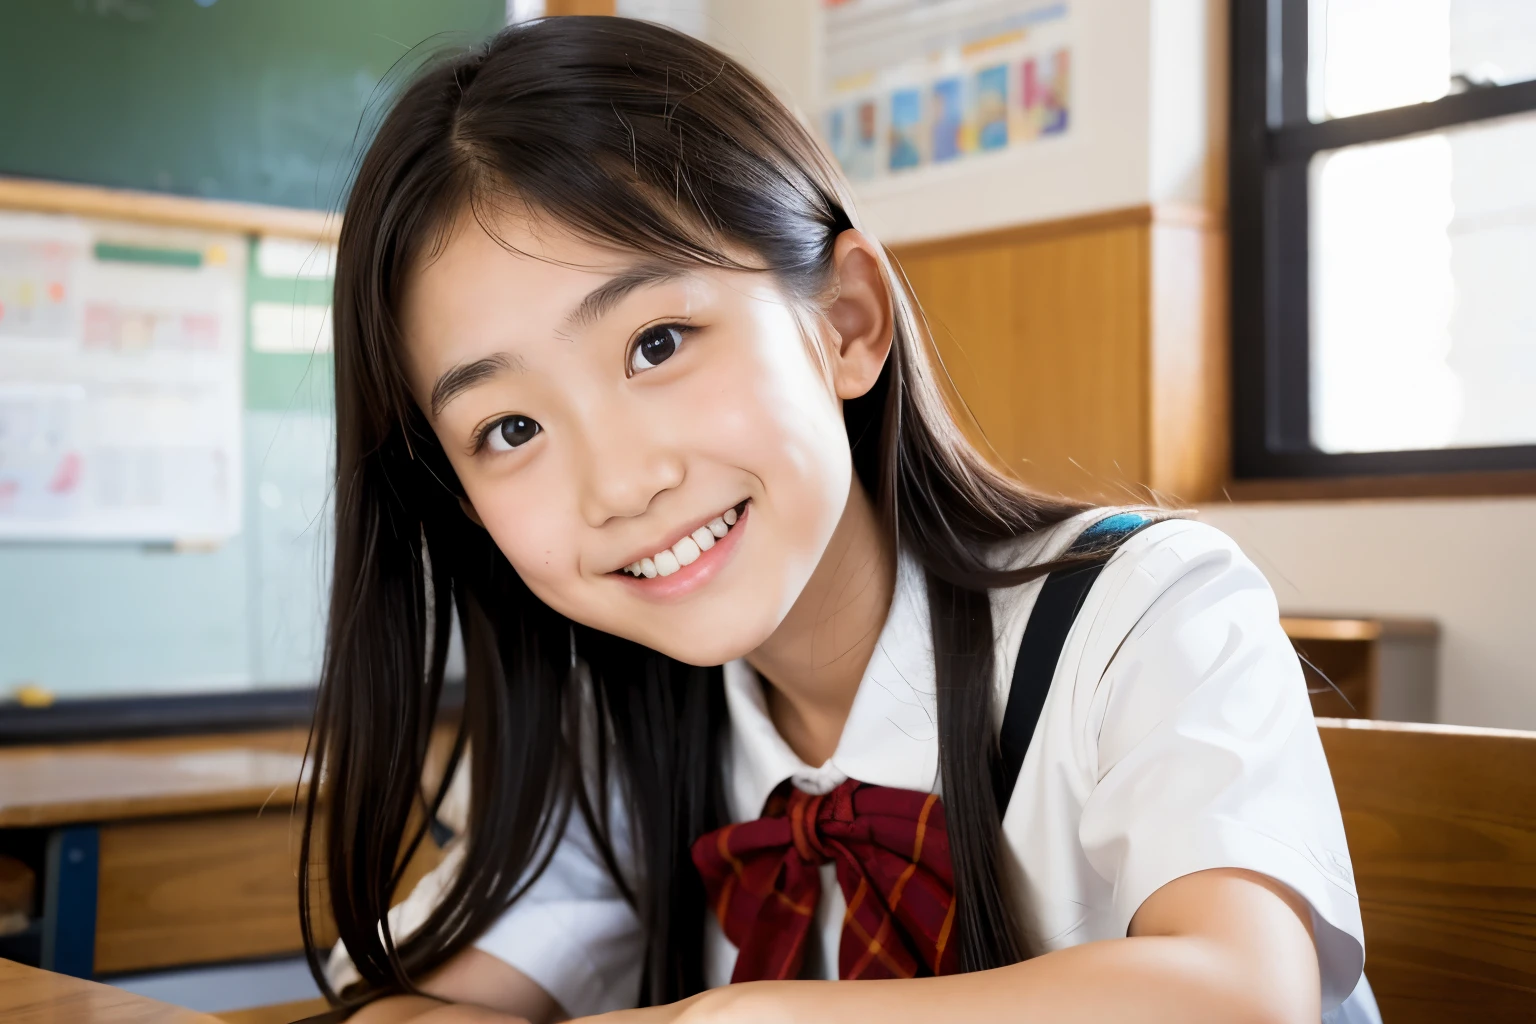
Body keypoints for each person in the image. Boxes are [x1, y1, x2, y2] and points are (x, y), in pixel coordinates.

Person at [303, 16, 1379, 1024]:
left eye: (659, 343)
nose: (619, 485)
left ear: (847, 323)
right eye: (509, 427)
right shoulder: (612, 719)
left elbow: (1244, 991)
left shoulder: (1140, 614)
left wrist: (757, 1014)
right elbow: (408, 1002)